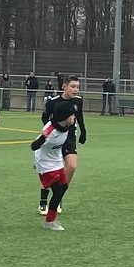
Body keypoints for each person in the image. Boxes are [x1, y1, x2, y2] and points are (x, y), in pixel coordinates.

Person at [39, 75, 87, 215]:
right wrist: (51, 132)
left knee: (71, 166)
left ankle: (58, 197)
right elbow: (45, 118)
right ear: (64, 87)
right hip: (55, 138)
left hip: (70, 137)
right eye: (73, 86)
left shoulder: (78, 101)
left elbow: (79, 116)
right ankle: (43, 200)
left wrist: (83, 131)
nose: (76, 89)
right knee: (50, 170)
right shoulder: (53, 102)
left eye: (77, 87)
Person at [31, 108, 77, 231]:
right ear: (64, 116)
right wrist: (42, 138)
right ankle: (49, 221)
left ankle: (51, 216)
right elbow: (34, 146)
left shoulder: (67, 127)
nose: (74, 117)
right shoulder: (50, 130)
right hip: (45, 164)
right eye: (72, 115)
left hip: (56, 161)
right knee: (57, 191)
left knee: (64, 187)